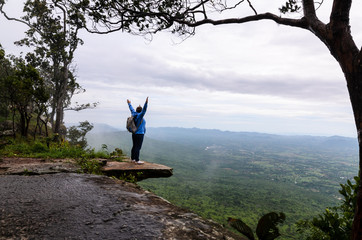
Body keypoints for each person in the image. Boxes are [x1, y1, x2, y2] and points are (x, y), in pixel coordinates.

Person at [127, 97, 148, 164]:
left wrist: (129, 103)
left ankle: (133, 159)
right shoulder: (140, 116)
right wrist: (146, 103)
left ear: (136, 110)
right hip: (140, 134)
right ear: (141, 111)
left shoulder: (134, 114)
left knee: (134, 146)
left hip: (134, 133)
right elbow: (144, 110)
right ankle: (137, 160)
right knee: (138, 147)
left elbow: (131, 109)